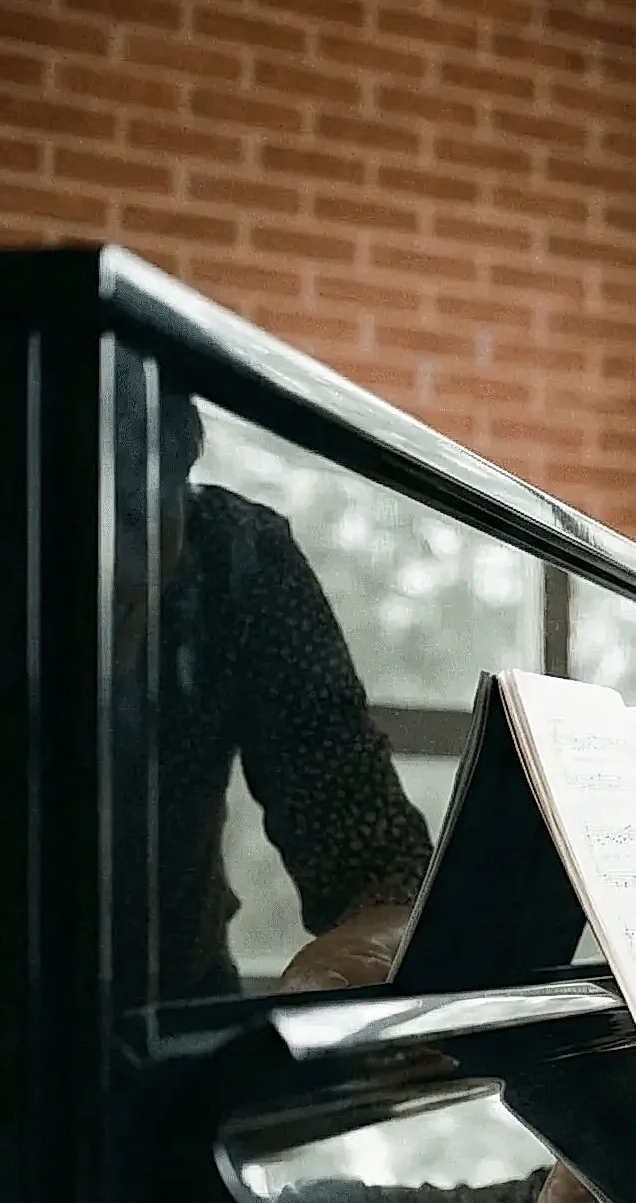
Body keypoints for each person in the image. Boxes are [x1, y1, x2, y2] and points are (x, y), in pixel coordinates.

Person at [132, 383, 434, 1002]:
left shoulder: (234, 557)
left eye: (138, 514)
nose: (111, 562)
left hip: (176, 1032)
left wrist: (357, 964)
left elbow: (375, 860)